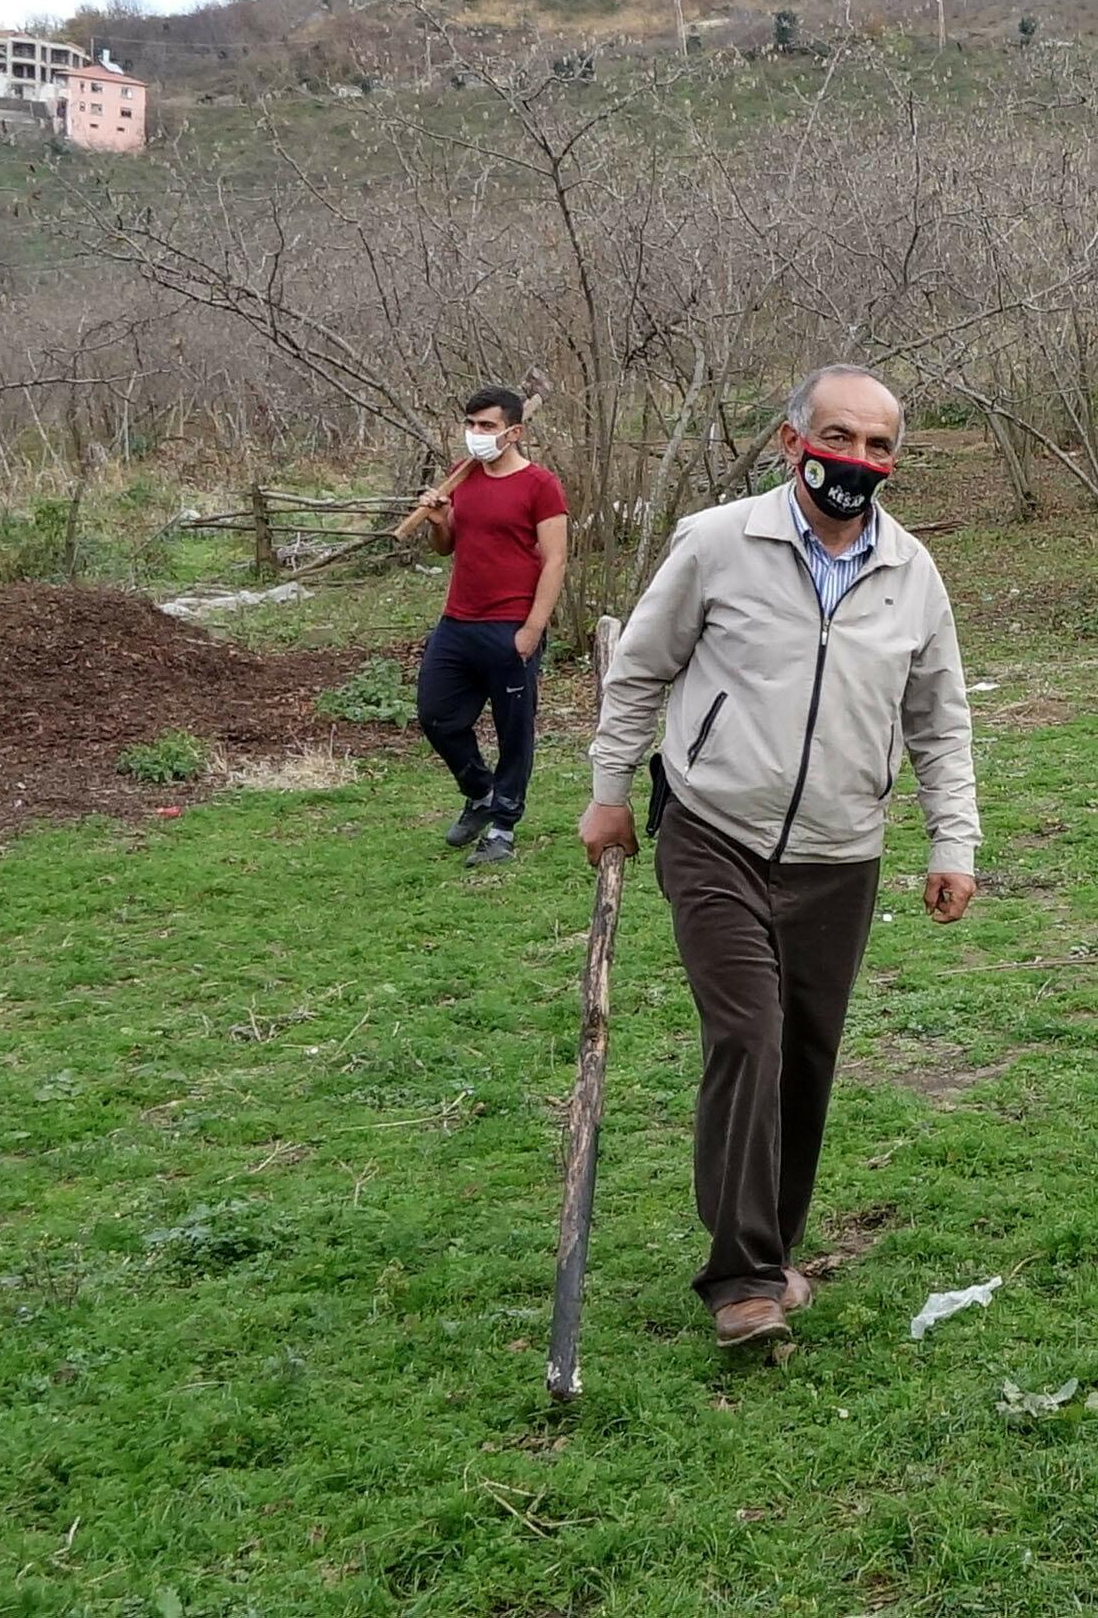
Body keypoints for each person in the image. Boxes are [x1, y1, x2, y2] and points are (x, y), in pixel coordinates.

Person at [580, 364, 982, 1351]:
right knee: (750, 1037)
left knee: (804, 1056)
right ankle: (743, 1278)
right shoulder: (720, 543)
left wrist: (953, 838)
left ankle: (771, 1248)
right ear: (790, 439)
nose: (855, 460)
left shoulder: (911, 571)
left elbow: (939, 720)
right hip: (715, 830)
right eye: (837, 437)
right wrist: (609, 788)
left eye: (878, 446)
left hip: (842, 854)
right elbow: (640, 666)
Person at [416, 385, 568, 868]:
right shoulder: (465, 479)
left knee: (513, 730)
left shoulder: (540, 485)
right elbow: (447, 547)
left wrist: (531, 629)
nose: (476, 435)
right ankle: (479, 794)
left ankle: (503, 825)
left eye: (487, 426)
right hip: (458, 621)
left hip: (511, 625)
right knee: (436, 716)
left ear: (514, 432)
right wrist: (439, 520)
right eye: (471, 425)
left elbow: (557, 559)